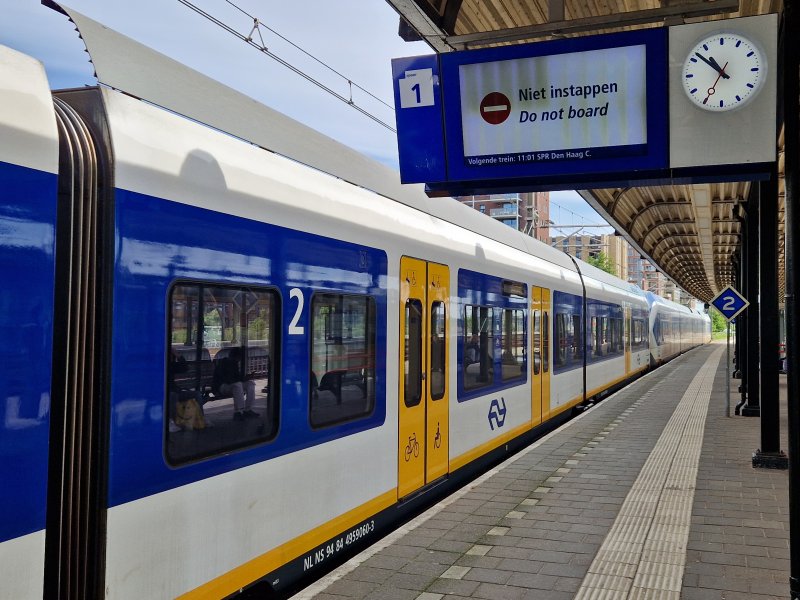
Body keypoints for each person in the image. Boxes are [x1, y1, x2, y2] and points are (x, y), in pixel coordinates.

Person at [215, 347, 259, 420]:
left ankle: (248, 409)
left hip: (230, 385)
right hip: (221, 386)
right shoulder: (225, 363)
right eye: (239, 357)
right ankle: (238, 412)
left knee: (250, 384)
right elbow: (230, 379)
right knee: (238, 385)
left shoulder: (233, 363)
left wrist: (246, 378)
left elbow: (236, 378)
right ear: (236, 356)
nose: (239, 360)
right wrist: (243, 379)